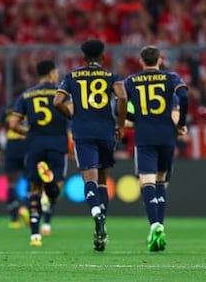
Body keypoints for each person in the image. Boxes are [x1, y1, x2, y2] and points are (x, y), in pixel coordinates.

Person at [53, 39, 127, 252]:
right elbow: (122, 97)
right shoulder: (111, 76)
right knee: (102, 179)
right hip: (106, 131)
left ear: (83, 58)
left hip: (83, 132)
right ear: (103, 57)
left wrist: (71, 115)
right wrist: (121, 125)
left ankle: (96, 212)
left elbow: (57, 101)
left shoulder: (72, 76)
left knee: (89, 177)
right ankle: (101, 227)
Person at [123, 45, 188, 252]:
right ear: (160, 60)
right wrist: (181, 123)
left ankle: (154, 225)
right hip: (166, 136)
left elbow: (119, 103)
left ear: (141, 62)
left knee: (147, 181)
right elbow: (184, 97)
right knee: (162, 180)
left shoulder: (131, 80)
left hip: (144, 136)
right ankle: (160, 225)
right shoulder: (171, 78)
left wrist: (134, 119)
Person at [9, 60, 69, 247]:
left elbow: (12, 125)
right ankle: (50, 183)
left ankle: (35, 235)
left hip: (35, 144)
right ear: (51, 74)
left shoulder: (27, 95)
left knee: (34, 189)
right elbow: (72, 113)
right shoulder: (62, 93)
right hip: (57, 142)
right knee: (55, 190)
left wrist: (30, 131)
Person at [0, 90, 30, 229]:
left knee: (11, 183)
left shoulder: (7, 108)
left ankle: (14, 219)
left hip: (12, 147)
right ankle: (26, 207)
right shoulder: (29, 103)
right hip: (27, 145)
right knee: (30, 180)